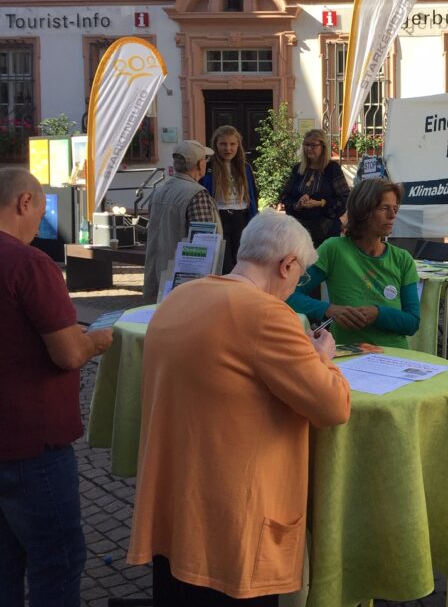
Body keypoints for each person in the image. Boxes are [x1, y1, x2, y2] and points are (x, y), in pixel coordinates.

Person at [128, 211, 351, 606]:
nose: (295, 286)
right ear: (287, 266)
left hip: (176, 516)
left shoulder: (181, 296)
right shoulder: (268, 315)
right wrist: (324, 357)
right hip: (233, 532)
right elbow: (333, 406)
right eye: (299, 278)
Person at [0, 168, 114, 607]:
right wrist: (102, 339)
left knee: (7, 563)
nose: (38, 224)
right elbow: (68, 353)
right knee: (57, 561)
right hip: (32, 442)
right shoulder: (29, 263)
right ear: (24, 203)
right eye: (41, 210)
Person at [288, 178, 419, 349]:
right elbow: (289, 295)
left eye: (395, 208)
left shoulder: (403, 259)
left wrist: (378, 314)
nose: (393, 215)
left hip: (395, 357)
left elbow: (412, 323)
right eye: (384, 208)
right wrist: (329, 310)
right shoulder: (334, 249)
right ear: (363, 210)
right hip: (348, 356)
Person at [143, 140, 223, 302]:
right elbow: (204, 243)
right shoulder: (197, 194)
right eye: (205, 160)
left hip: (157, 274)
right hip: (183, 281)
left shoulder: (159, 191)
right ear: (200, 164)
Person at [201, 125, 259, 273]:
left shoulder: (245, 168)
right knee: (225, 265)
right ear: (216, 145)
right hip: (219, 218)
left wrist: (254, 221)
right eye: (223, 144)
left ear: (238, 145)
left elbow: (252, 196)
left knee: (242, 262)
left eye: (232, 144)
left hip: (241, 218)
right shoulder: (208, 168)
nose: (228, 148)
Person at [280, 128, 349, 248]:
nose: (308, 148)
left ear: (323, 146)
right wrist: (297, 205)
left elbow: (345, 199)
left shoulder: (332, 169)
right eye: (306, 144)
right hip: (298, 231)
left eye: (313, 145)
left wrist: (320, 203)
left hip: (326, 232)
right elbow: (285, 196)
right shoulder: (298, 169)